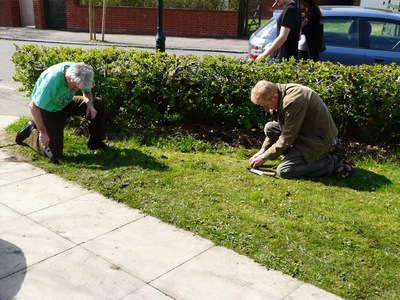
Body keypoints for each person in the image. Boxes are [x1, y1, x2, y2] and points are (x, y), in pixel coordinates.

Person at [249, 80, 352, 179]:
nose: (266, 109)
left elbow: (287, 137)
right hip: (304, 133)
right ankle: (295, 158)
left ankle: (331, 162)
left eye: (265, 105)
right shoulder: (278, 93)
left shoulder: (293, 101)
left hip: (319, 140)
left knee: (285, 170)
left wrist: (265, 157)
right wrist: (263, 150)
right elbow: (280, 126)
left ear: (274, 97)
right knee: (270, 127)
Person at [15, 62, 107, 163]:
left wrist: (90, 105)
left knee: (97, 104)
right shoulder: (51, 81)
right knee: (54, 154)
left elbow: (87, 92)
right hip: (49, 110)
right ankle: (31, 131)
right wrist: (43, 132)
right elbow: (33, 106)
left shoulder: (81, 72)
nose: (77, 89)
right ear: (68, 78)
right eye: (74, 86)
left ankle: (95, 142)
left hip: (66, 103)